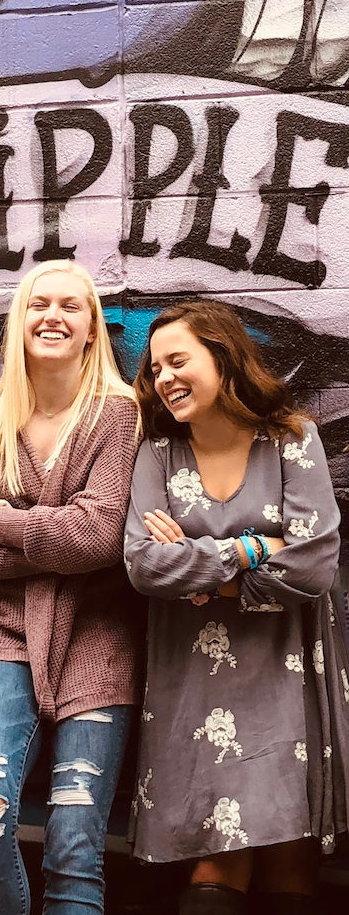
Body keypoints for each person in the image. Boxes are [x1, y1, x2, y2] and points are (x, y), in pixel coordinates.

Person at [124, 300, 347, 915]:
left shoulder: (291, 439)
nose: (163, 377)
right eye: (155, 367)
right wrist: (253, 548)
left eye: (178, 361)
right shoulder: (158, 454)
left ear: (222, 358)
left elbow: (313, 564)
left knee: (287, 851)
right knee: (214, 847)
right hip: (193, 681)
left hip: (286, 673)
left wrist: (198, 575)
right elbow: (144, 564)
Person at [0, 259, 143, 915]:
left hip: (98, 642)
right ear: (18, 322)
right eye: (38, 303)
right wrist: (58, 542)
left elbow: (101, 537)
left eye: (71, 306)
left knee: (76, 848)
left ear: (92, 330)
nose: (53, 315)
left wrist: (0, 519)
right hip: (2, 639)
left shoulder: (120, 416)